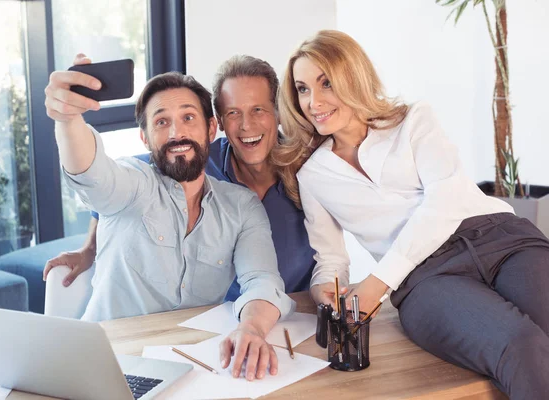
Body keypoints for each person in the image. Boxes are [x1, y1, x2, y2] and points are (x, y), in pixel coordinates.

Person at [272, 30, 549, 399]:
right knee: (521, 343)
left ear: (353, 77)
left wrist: (378, 282)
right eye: (303, 89)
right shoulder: (313, 175)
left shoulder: (414, 120)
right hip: (427, 280)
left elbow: (445, 199)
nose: (313, 101)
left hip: (500, 238)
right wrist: (326, 289)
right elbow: (331, 258)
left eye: (326, 83)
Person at [44, 54, 296, 381]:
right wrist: (69, 122)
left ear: (210, 128)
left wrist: (251, 328)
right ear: (145, 138)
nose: (177, 132)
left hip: (189, 369)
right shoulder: (133, 185)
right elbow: (94, 175)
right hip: (100, 367)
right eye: (162, 122)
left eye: (188, 117)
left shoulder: (241, 206)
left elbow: (261, 280)